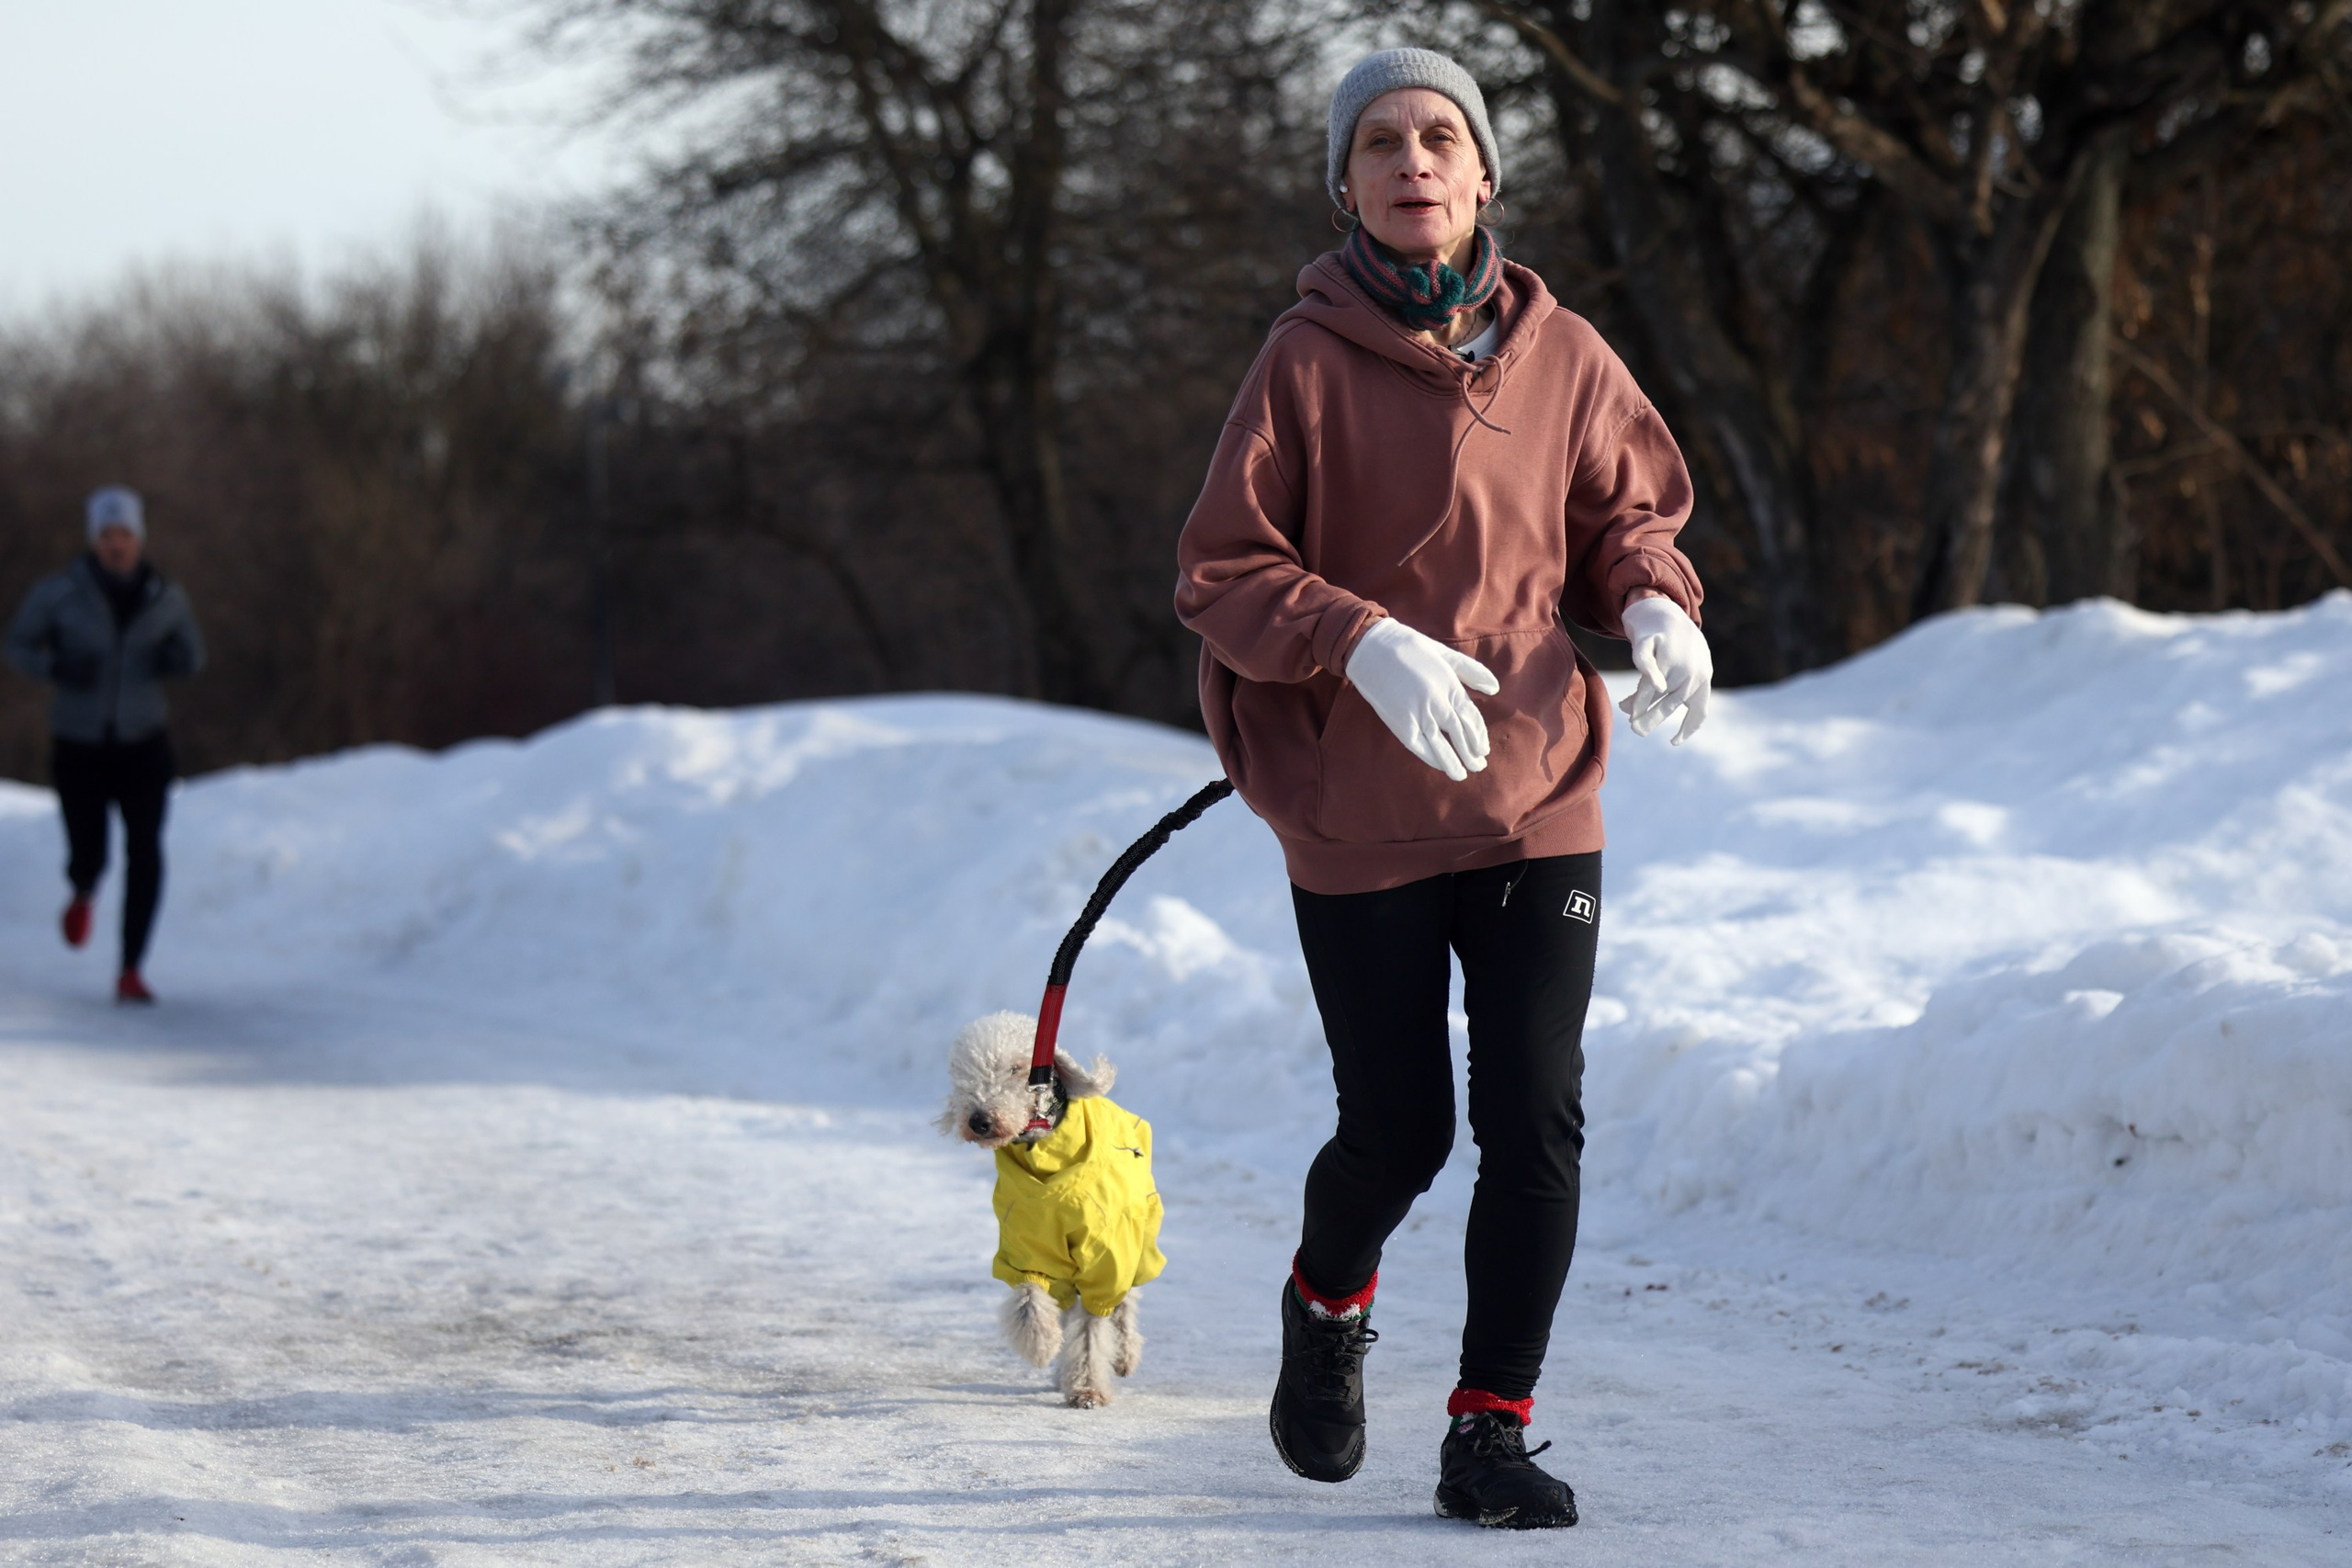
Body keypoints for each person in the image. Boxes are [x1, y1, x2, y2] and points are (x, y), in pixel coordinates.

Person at [1174, 49, 1713, 1529]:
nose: (1413, 161)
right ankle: (1325, 1298)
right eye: (1381, 144)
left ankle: (1489, 1427)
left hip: (1539, 792)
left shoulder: (1565, 354)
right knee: (1401, 1126)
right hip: (1361, 812)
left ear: (1483, 176)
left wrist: (1656, 600)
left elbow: (1627, 515)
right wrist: (1356, 641)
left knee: (1534, 1114)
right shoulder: (1299, 362)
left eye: (1440, 137)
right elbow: (1220, 572)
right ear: (1345, 183)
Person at [6, 486, 206, 1003]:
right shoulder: (60, 594)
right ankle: (83, 887)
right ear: (94, 540)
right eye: (107, 535)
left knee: (146, 853)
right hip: (80, 743)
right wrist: (57, 668)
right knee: (89, 849)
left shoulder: (165, 597)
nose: (116, 544)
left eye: (125, 535)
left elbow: (193, 654)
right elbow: (18, 645)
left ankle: (131, 968)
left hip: (144, 743)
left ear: (139, 539)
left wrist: (173, 661)